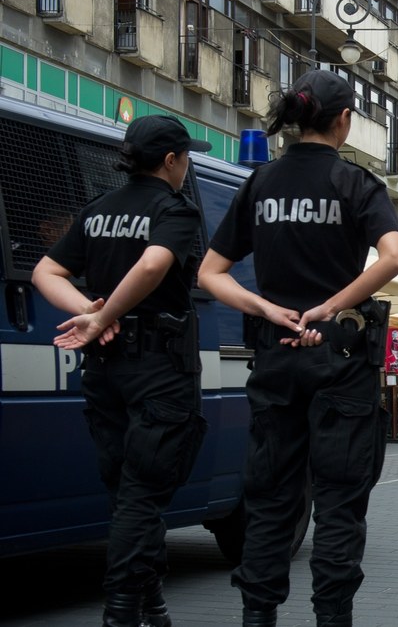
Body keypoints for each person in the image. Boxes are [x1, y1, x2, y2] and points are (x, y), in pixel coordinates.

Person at [198, 68, 398, 627]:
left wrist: (265, 307)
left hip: (275, 356)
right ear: (343, 120)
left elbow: (211, 274)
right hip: (339, 360)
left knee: (270, 500)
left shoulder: (260, 182)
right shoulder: (355, 184)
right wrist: (331, 305)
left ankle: (257, 616)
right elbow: (392, 257)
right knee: (339, 502)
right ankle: (331, 619)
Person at [32, 115, 211, 627]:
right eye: (186, 158)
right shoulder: (174, 209)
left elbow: (47, 270)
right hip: (158, 367)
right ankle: (120, 613)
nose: (187, 167)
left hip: (105, 369)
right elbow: (155, 266)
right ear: (172, 160)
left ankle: (152, 604)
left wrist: (92, 315)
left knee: (128, 493)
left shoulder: (97, 210)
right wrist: (100, 317)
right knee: (143, 492)